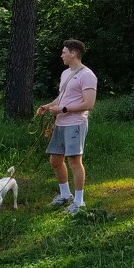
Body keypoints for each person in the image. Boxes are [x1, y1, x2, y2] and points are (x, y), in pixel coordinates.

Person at [38, 39, 98, 215]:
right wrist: (48, 106)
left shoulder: (87, 75)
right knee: (55, 161)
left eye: (64, 52)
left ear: (74, 53)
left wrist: (63, 109)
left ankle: (79, 203)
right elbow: (61, 99)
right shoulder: (65, 74)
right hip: (60, 123)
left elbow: (89, 104)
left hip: (75, 124)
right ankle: (65, 195)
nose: (61, 55)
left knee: (74, 162)